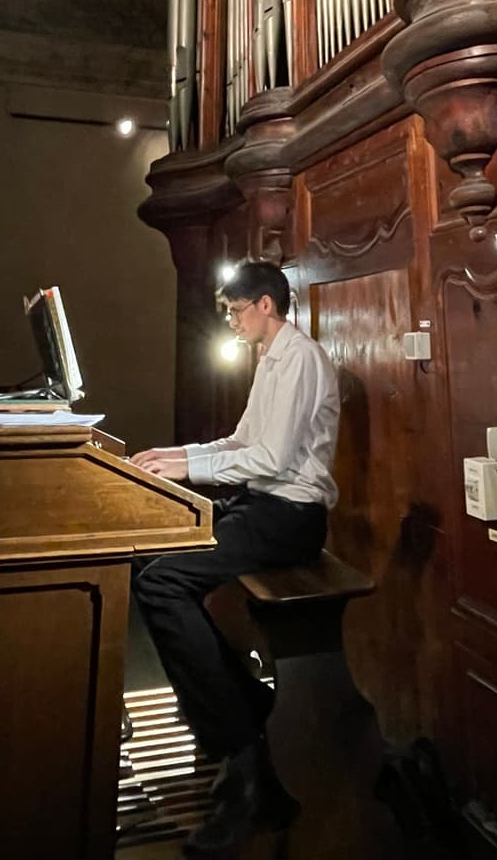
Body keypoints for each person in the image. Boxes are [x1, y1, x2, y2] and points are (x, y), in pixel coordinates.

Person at [129, 259, 339, 859]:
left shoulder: (299, 358)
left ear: (265, 305)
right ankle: (246, 715)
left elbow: (272, 460)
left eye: (234, 310)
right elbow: (242, 442)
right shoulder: (272, 359)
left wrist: (191, 469)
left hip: (289, 520)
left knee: (164, 584)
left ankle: (246, 762)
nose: (231, 321)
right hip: (261, 508)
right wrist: (175, 456)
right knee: (152, 570)